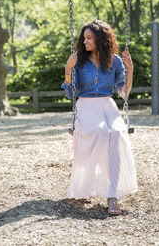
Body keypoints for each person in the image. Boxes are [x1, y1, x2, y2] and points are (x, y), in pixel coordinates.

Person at [61, 20, 137, 215]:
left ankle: (112, 194)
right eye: (83, 38)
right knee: (103, 133)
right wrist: (68, 70)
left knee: (117, 133)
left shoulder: (115, 61)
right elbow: (71, 95)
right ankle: (91, 185)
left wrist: (130, 71)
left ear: (100, 39)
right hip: (86, 105)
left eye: (89, 38)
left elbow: (124, 93)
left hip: (107, 106)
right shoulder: (79, 61)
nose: (84, 42)